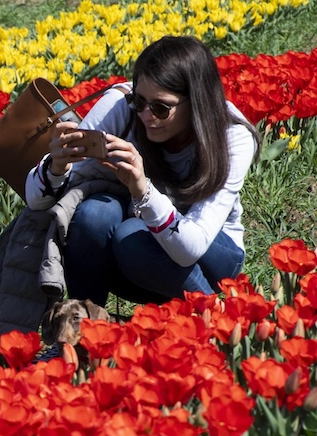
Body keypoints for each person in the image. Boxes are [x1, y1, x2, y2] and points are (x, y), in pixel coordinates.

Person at [28, 35, 260, 307]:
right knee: (95, 213)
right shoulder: (121, 106)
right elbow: (36, 201)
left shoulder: (231, 136)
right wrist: (56, 166)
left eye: (161, 107)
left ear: (196, 100)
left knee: (132, 236)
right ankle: (85, 334)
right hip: (133, 266)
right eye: (140, 101)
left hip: (212, 258)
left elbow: (192, 248)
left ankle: (212, 319)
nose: (146, 115)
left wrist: (143, 189)